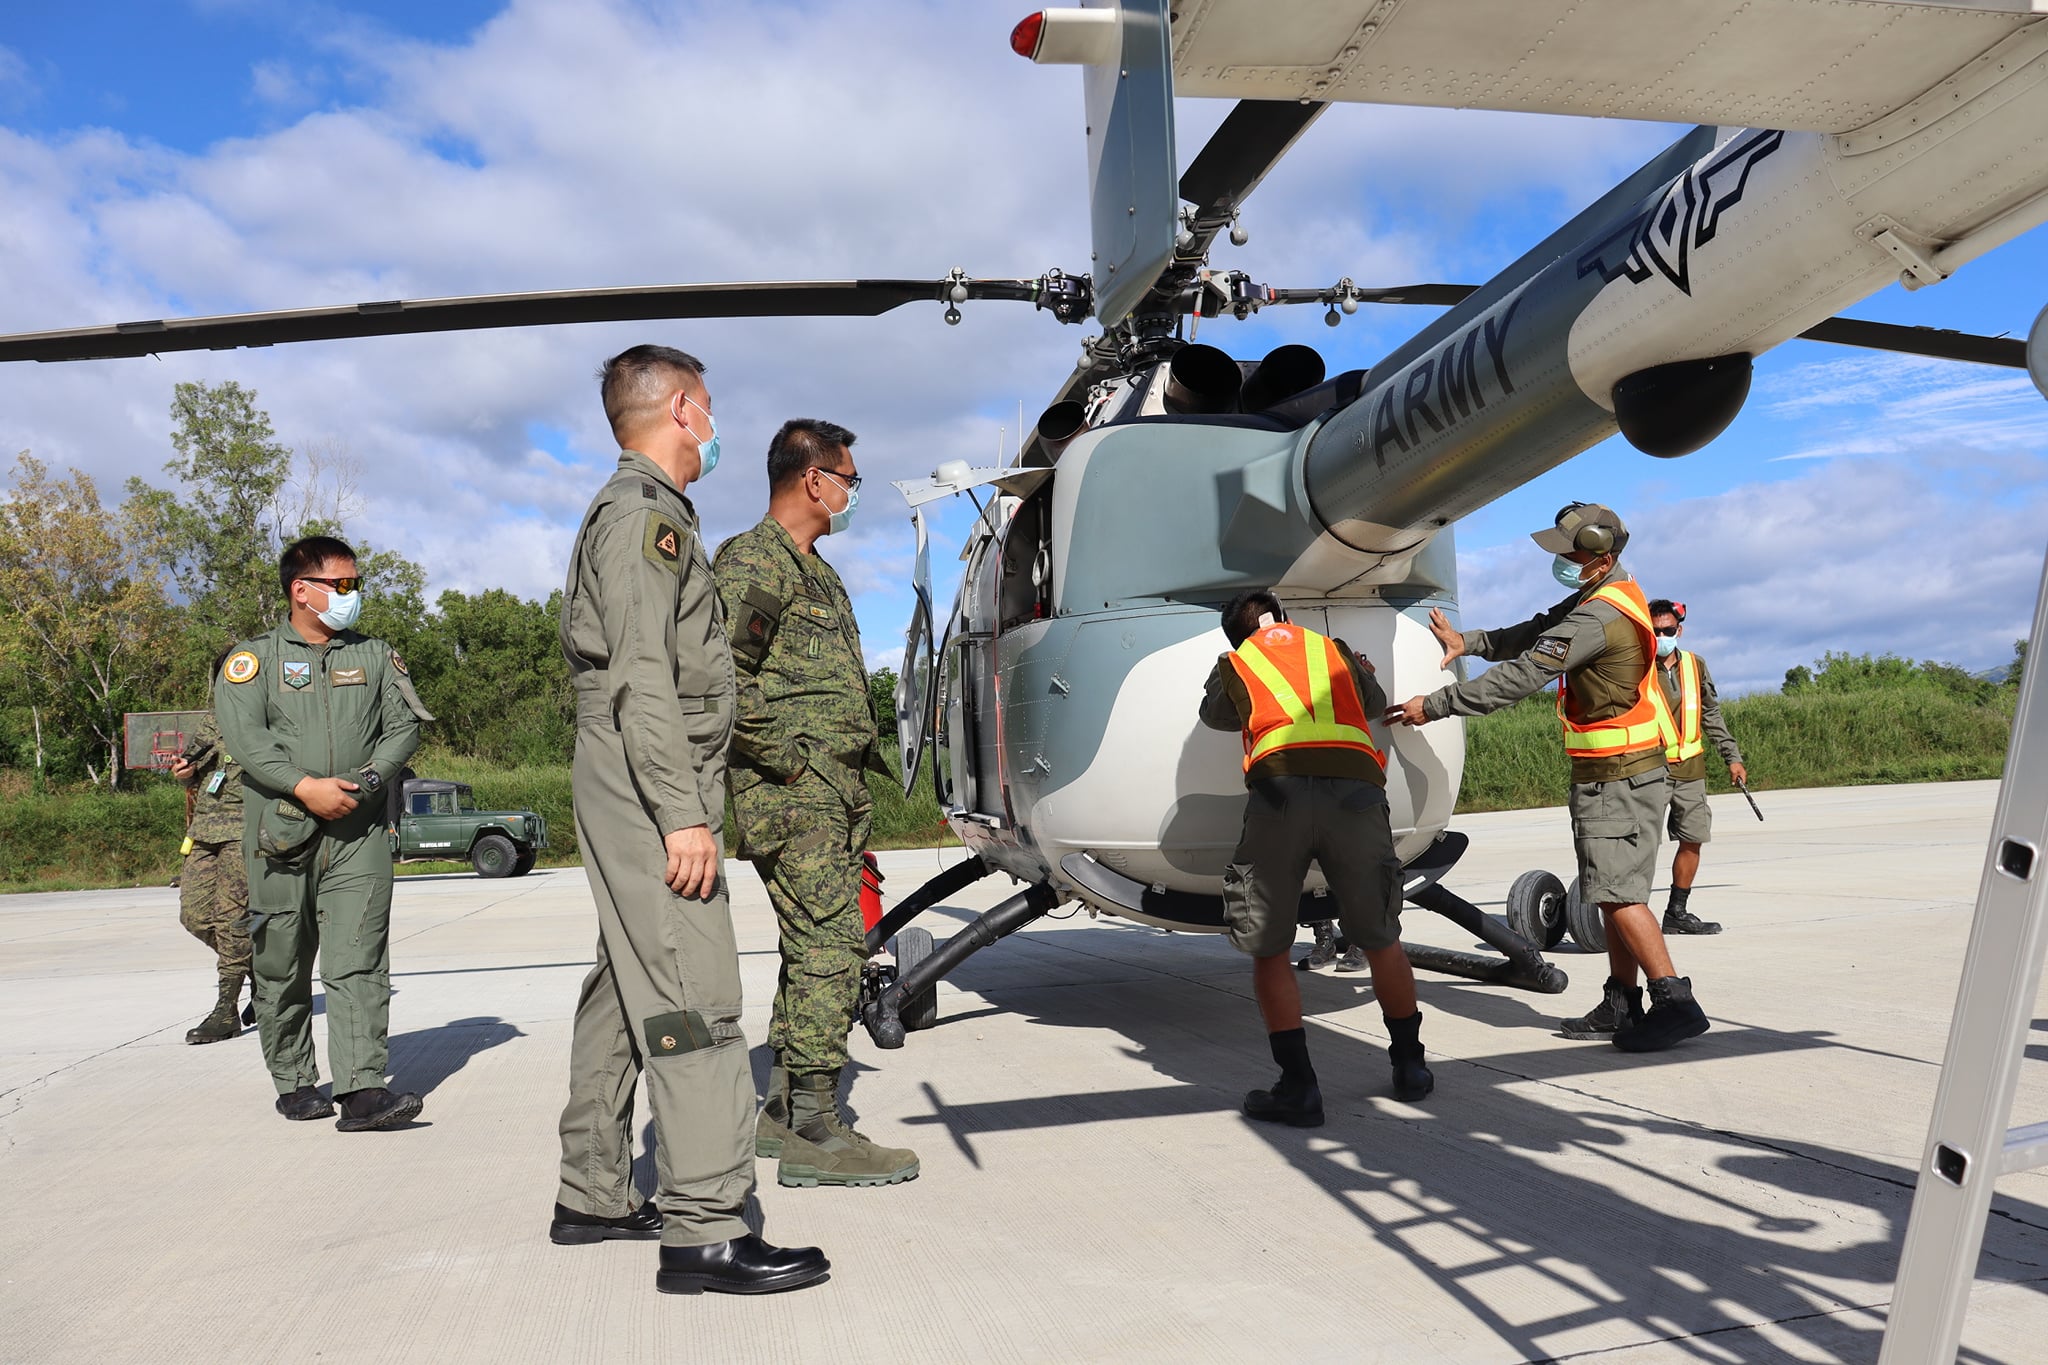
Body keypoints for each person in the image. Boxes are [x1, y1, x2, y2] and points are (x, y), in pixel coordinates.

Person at [551, 344, 827, 1295]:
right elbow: (642, 682)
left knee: (623, 985)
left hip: (631, 775)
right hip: (649, 781)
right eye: (707, 408)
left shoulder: (649, 516)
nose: (715, 425)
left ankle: (591, 1192)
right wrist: (682, 816)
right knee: (692, 996)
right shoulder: (643, 520)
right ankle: (704, 1227)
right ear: (678, 407)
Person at [1387, 502, 1709, 1053]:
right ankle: (1621, 1002)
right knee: (1612, 893)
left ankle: (1674, 1001)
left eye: (1569, 552)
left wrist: (1435, 705)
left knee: (1620, 897)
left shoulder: (1598, 616)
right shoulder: (1605, 594)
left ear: (1598, 554)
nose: (1561, 559)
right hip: (1613, 776)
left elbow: (1527, 673)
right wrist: (1475, 642)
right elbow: (1539, 631)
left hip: (1620, 780)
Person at [714, 419, 915, 1189]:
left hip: (832, 793)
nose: (853, 491)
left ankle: (779, 1113)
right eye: (849, 478)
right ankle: (816, 1128)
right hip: (793, 797)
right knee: (836, 946)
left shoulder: (815, 569)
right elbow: (724, 676)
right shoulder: (755, 560)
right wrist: (793, 765)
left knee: (812, 951)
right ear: (811, 479)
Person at [214, 535, 431, 1128]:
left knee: (359, 957)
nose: (351, 594)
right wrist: (305, 786)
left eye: (354, 584)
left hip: (359, 834)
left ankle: (362, 1090)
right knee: (281, 960)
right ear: (300, 591)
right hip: (280, 836)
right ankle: (294, 1078)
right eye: (341, 584)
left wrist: (364, 781)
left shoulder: (378, 656)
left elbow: (403, 729)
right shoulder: (250, 662)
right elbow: (247, 742)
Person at [1199, 588, 1433, 1126]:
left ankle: (1299, 1089)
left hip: (1277, 796)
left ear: (1238, 632)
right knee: (1379, 937)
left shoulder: (1235, 661)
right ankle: (1410, 1067)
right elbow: (1374, 705)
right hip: (1355, 794)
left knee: (1270, 946)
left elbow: (1215, 716)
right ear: (1283, 616)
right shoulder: (1336, 651)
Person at [1649, 599, 1749, 935]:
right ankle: (1630, 916)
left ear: (1679, 629)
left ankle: (1676, 912)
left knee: (1693, 838)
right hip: (1648, 769)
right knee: (1640, 845)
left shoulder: (1695, 664)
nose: (1662, 635)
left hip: (1691, 770)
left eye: (1668, 629)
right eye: (1656, 630)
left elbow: (1711, 713)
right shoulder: (1635, 665)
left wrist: (1732, 757)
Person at [169, 690, 252, 1045]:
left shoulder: (274, 715)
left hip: (246, 830)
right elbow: (194, 771)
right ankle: (265, 975)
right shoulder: (213, 719)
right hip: (203, 830)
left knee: (231, 921)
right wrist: (183, 773)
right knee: (195, 917)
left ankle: (226, 1010)